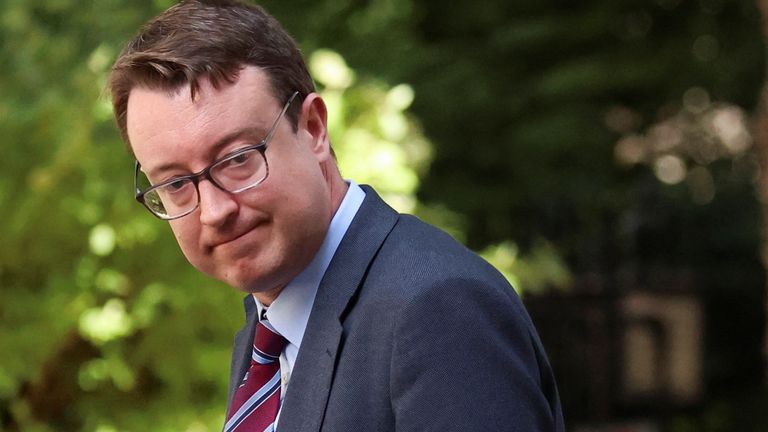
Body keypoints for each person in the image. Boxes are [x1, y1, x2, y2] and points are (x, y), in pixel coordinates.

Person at [109, 0, 565, 430]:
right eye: (173, 184)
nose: (214, 211)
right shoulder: (270, 326)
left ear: (313, 129)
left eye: (237, 158)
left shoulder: (438, 310)